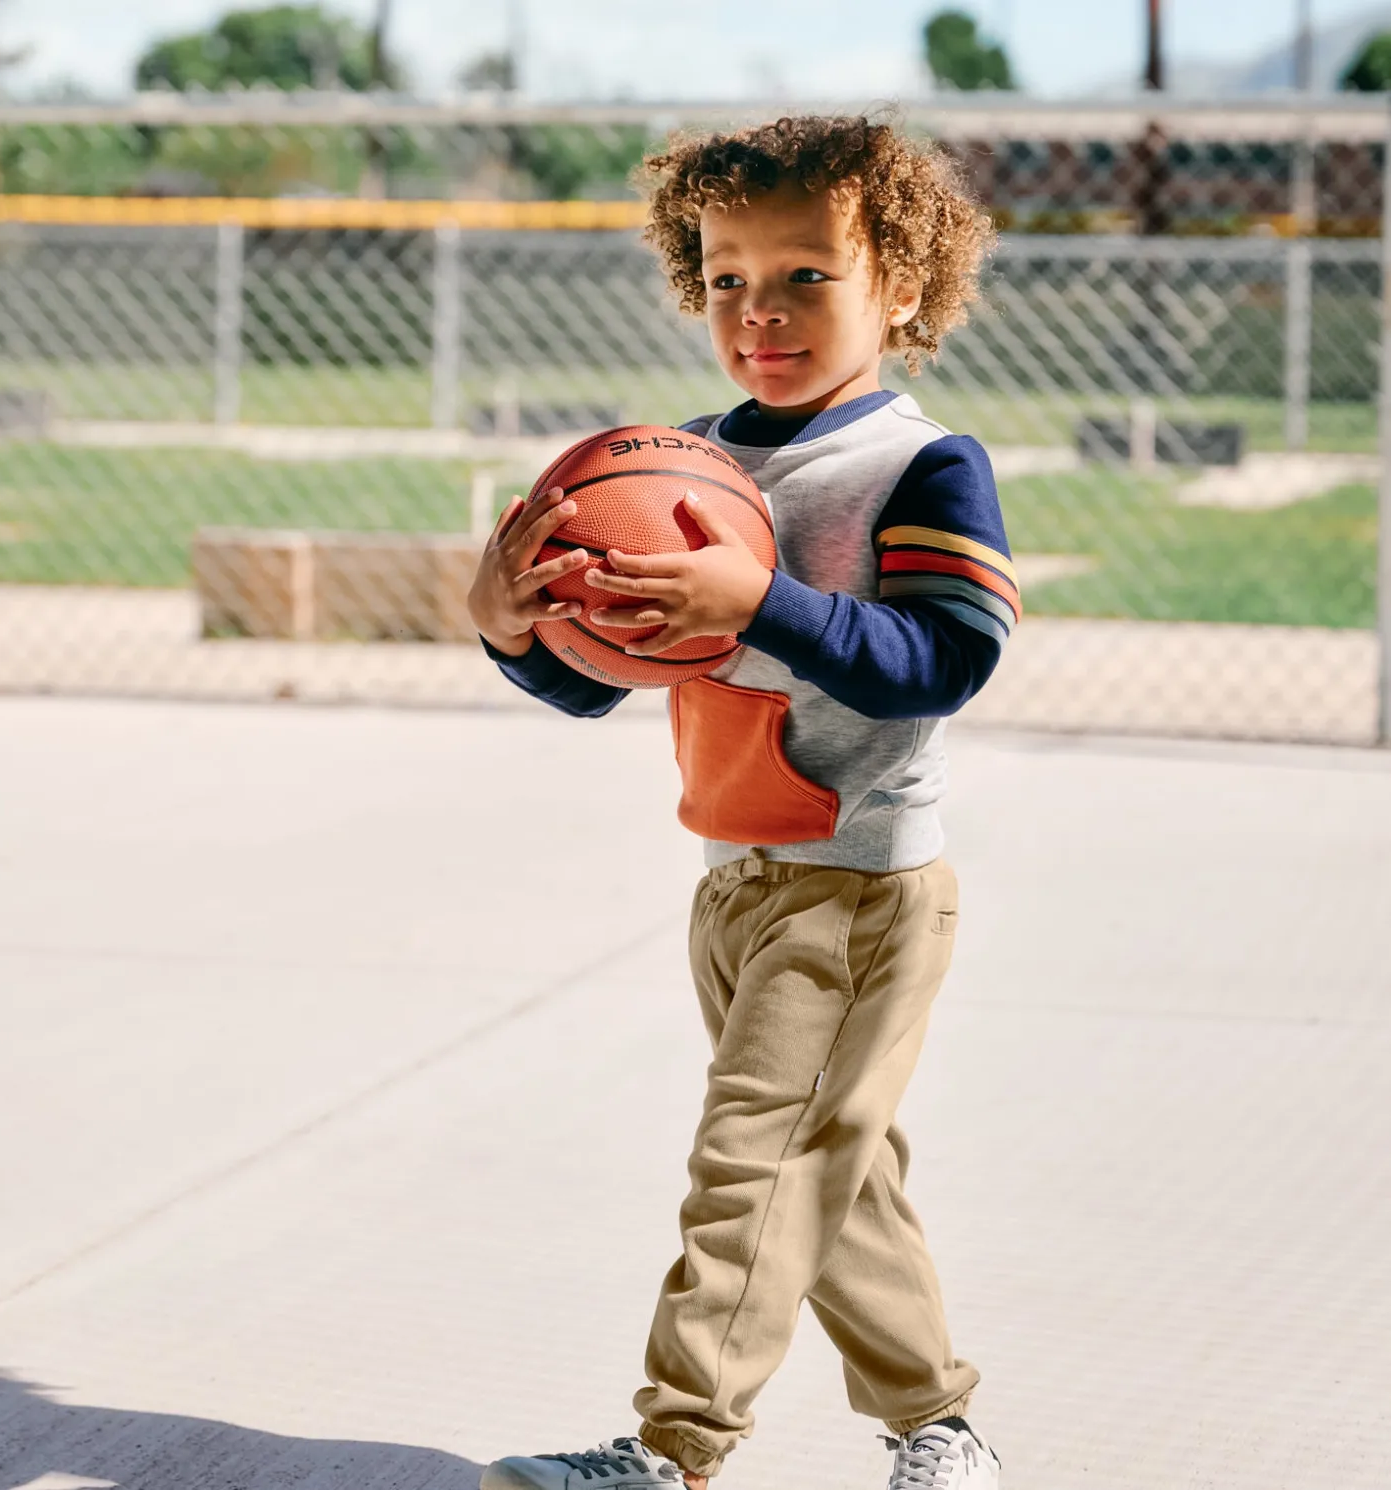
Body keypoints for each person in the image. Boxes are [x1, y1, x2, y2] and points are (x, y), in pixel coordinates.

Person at [466, 114, 1016, 1490]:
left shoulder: (919, 465)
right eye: (724, 279)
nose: (756, 311)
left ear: (897, 281)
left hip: (856, 885)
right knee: (835, 1173)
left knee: (753, 1169)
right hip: (735, 881)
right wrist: (511, 629)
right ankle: (939, 1429)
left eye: (804, 277)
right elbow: (599, 685)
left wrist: (761, 600)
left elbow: (946, 660)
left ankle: (673, 1450)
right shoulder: (685, 461)